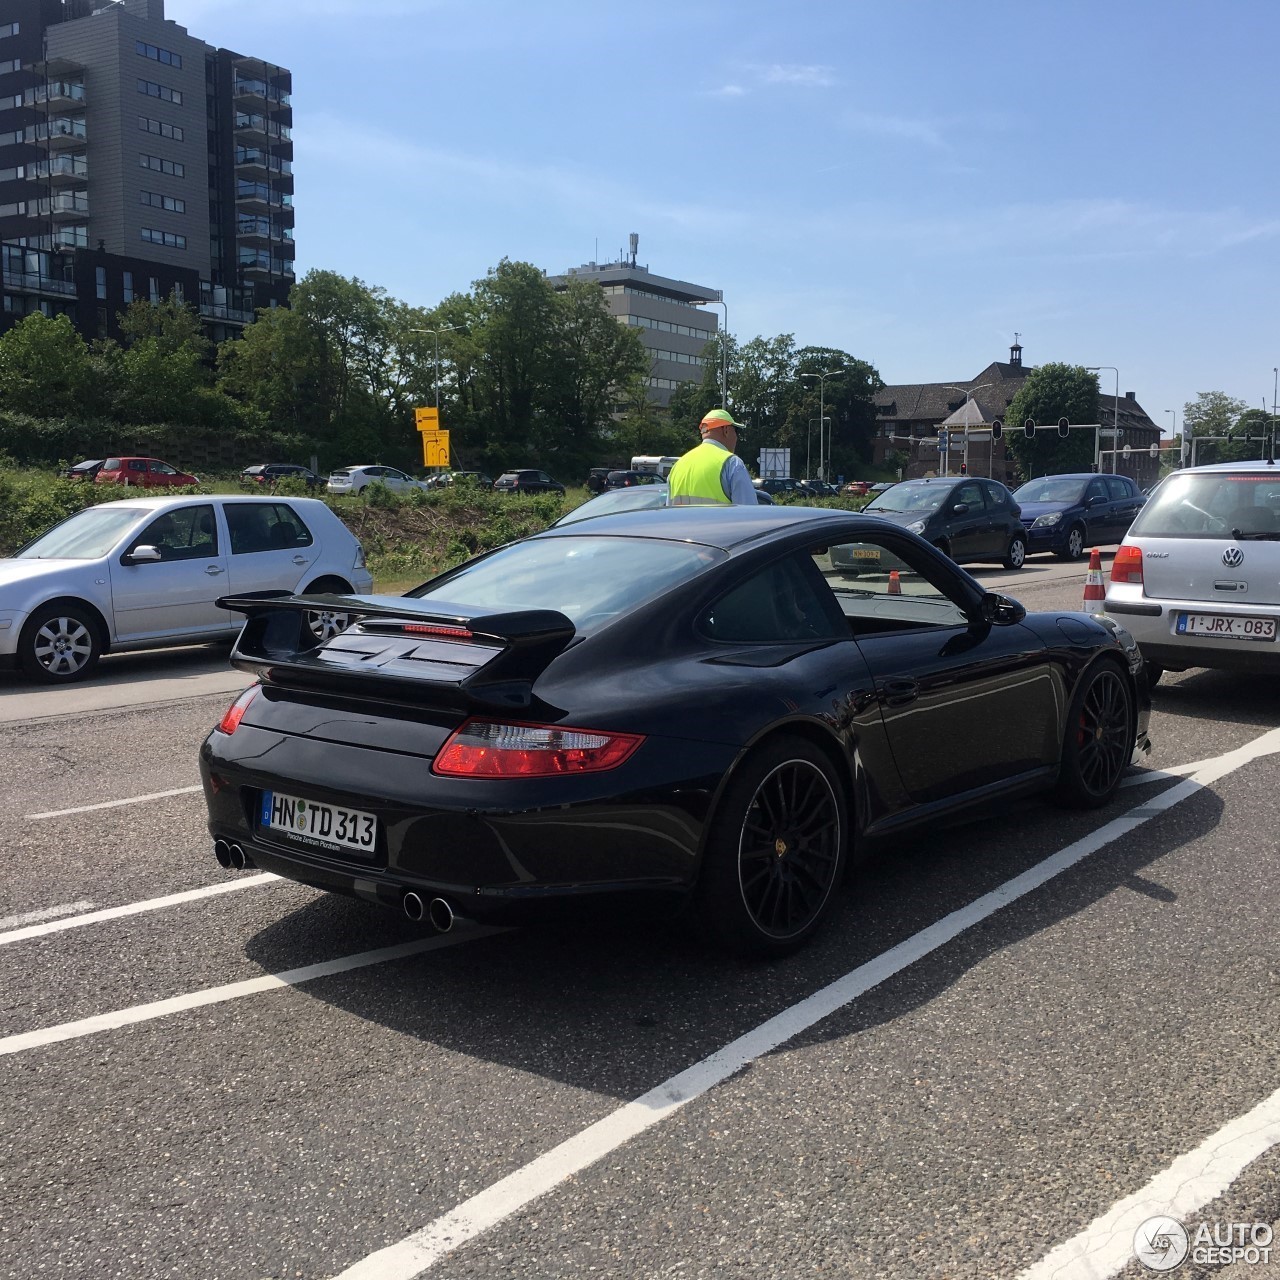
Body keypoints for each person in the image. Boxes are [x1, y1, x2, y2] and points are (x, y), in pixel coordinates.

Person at [666, 408, 757, 506]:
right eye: (736, 431)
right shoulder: (731, 463)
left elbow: (669, 514)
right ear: (726, 430)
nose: (736, 437)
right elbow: (749, 513)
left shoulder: (678, 466)